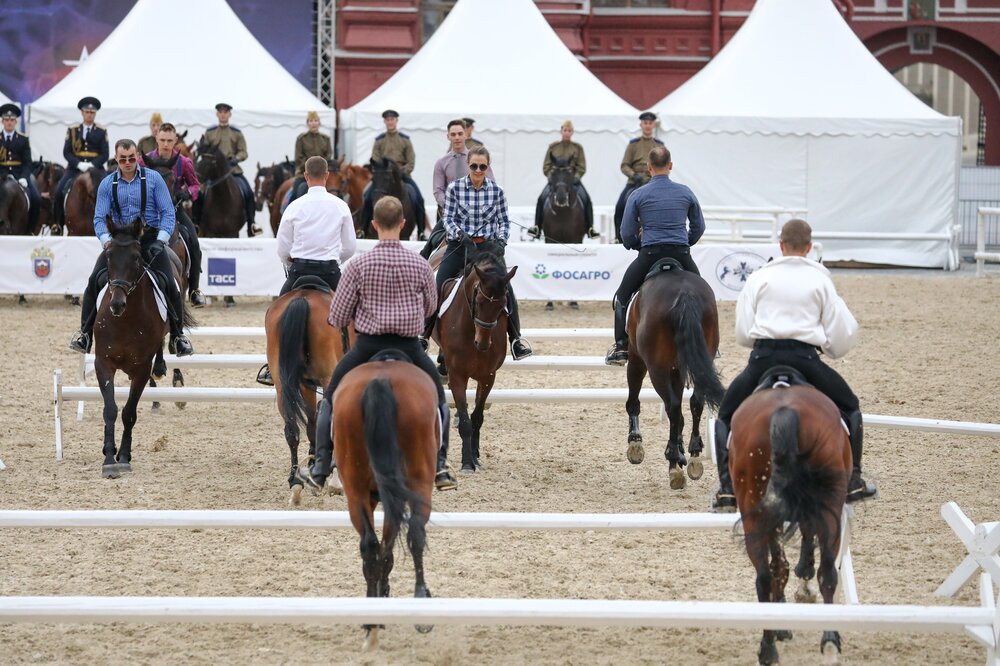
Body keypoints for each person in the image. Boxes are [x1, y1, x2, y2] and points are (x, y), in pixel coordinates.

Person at [710, 219, 879, 512]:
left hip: (763, 359)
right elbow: (839, 333)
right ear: (810, 247)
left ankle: (727, 487)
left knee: (725, 414)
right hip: (806, 359)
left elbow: (742, 332)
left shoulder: (760, 278)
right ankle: (854, 480)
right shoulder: (821, 279)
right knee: (851, 406)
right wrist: (827, 347)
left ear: (780, 245)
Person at [296, 195, 458, 492]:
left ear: (373, 224)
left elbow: (338, 315)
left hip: (367, 347)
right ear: (403, 224)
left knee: (330, 399)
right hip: (409, 346)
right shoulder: (420, 264)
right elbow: (431, 307)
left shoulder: (358, 265)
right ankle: (441, 465)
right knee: (437, 399)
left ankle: (320, 466)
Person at [68, 139, 194, 357]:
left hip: (149, 238)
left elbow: (167, 213)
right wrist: (107, 241)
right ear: (116, 159)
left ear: (137, 157)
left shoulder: (153, 179)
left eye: (131, 158)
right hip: (119, 241)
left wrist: (161, 241)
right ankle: (85, 334)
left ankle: (178, 336)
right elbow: (99, 218)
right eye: (123, 159)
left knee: (170, 283)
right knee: (93, 281)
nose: (128, 163)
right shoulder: (107, 183)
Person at [421, 146, 533, 362]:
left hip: (487, 247)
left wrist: (501, 240)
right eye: (474, 166)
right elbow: (448, 219)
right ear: (468, 166)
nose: (478, 170)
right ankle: (424, 335)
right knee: (438, 284)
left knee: (505, 288)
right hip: (460, 245)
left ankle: (516, 340)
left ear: (487, 166)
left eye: (483, 166)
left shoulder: (497, 191)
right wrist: (459, 234)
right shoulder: (454, 189)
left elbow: (504, 221)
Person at [256, 156, 358, 387]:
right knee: (353, 316)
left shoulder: (294, 206)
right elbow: (350, 247)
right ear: (327, 176)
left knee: (274, 314)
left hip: (299, 271)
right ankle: (353, 358)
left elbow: (282, 248)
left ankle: (270, 367)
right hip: (330, 272)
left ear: (305, 176)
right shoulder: (340, 206)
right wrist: (334, 258)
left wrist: (291, 265)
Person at [605, 145, 704, 366]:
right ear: (670, 166)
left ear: (649, 168)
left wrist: (636, 244)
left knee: (622, 297)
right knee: (705, 296)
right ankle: (708, 346)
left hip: (649, 254)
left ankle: (621, 346)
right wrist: (685, 242)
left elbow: (626, 232)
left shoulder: (638, 194)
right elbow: (699, 227)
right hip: (681, 254)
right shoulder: (686, 192)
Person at [143, 122, 206, 307]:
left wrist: (187, 193)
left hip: (175, 209)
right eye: (162, 140)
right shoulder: (144, 160)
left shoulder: (184, 162)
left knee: (193, 242)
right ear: (156, 138)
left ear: (175, 140)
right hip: (148, 211)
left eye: (169, 140)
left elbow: (196, 185)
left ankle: (194, 289)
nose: (165, 144)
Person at [422, 119, 496, 258]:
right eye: (453, 134)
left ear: (466, 135)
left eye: (460, 133)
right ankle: (422, 263)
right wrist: (452, 206)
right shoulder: (441, 163)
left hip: (478, 213)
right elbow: (438, 190)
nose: (457, 137)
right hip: (452, 214)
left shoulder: (479, 160)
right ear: (448, 136)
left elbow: (492, 185)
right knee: (430, 243)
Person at [527, 120, 599, 241]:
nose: (567, 133)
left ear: (572, 132)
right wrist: (551, 177)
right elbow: (546, 166)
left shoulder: (578, 148)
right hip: (555, 180)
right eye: (565, 130)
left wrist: (575, 178)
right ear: (561, 131)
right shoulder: (553, 147)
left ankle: (590, 228)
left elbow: (582, 166)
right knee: (541, 198)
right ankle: (537, 227)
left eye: (569, 130)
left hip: (572, 180)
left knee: (586, 199)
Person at [361, 109, 427, 239]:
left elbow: (411, 161)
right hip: (383, 177)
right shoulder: (379, 140)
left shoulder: (405, 140)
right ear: (385, 121)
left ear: (396, 121)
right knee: (367, 196)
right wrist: (382, 171)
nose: (390, 122)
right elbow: (375, 159)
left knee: (418, 198)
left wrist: (401, 172)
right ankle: (363, 229)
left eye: (392, 119)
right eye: (388, 120)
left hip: (403, 177)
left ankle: (421, 231)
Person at [202, 102, 260, 237]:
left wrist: (236, 158)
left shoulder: (236, 133)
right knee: (200, 194)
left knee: (249, 192)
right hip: (214, 173)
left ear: (229, 114)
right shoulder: (210, 133)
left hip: (233, 171)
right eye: (220, 112)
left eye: (225, 112)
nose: (223, 114)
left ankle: (252, 224)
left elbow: (244, 152)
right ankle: (197, 222)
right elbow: (204, 151)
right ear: (217, 114)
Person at [53, 97, 109, 234]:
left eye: (92, 112)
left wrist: (92, 164)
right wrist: (78, 163)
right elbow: (66, 152)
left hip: (95, 170)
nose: (89, 114)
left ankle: (112, 224)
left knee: (109, 191)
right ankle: (58, 224)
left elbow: (105, 154)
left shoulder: (101, 131)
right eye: (87, 112)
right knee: (59, 191)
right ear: (82, 113)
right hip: (74, 169)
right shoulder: (73, 130)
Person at [613, 111, 662, 243]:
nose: (647, 125)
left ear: (653, 125)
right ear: (641, 124)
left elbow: (663, 165)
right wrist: (634, 176)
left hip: (653, 180)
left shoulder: (659, 145)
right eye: (645, 123)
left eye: (650, 123)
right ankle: (619, 237)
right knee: (619, 206)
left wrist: (653, 176)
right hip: (634, 182)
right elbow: (624, 165)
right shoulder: (633, 144)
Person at [0, 104, 42, 233]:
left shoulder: (23, 139)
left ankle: (30, 230)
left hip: (20, 174)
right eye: (6, 120)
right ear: (2, 121)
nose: (9, 122)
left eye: (12, 120)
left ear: (15, 121)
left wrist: (24, 177)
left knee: (36, 198)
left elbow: (28, 163)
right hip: (1, 176)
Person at [287, 110, 332, 205]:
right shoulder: (301, 139)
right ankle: (290, 212)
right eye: (311, 121)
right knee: (295, 194)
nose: (313, 123)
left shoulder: (326, 139)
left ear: (319, 123)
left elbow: (328, 155)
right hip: (304, 174)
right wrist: (311, 168)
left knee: (337, 190)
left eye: (316, 120)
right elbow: (298, 158)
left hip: (323, 174)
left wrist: (321, 168)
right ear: (307, 123)